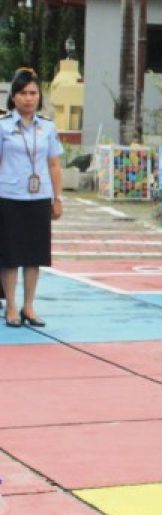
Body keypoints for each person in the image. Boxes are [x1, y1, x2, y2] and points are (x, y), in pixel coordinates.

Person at [0, 67, 64, 328]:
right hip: (9, 196)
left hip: (38, 198)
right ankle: (12, 307)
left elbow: (54, 165)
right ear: (13, 97)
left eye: (33, 93)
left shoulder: (47, 127)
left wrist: (57, 198)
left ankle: (29, 306)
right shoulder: (3, 127)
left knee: (34, 255)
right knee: (10, 255)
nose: (29, 98)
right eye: (23, 93)